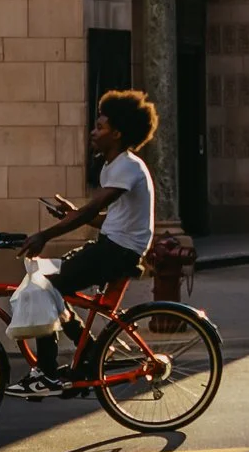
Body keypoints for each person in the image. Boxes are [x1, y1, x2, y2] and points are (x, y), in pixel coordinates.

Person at [17, 89, 158, 390]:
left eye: (100, 127)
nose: (93, 132)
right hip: (112, 245)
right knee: (44, 279)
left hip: (118, 251)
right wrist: (72, 214)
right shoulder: (114, 166)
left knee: (45, 287)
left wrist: (45, 235)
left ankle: (46, 373)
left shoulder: (127, 166)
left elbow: (93, 209)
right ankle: (91, 351)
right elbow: (109, 217)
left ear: (117, 133)